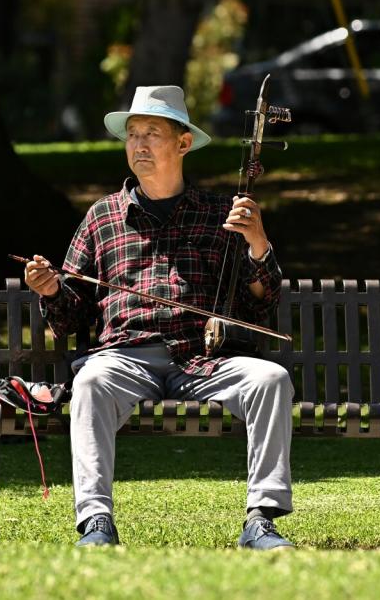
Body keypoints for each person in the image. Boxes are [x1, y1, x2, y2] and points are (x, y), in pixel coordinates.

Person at [24, 86, 295, 549]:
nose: (140, 144)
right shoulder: (102, 217)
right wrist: (50, 289)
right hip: (125, 358)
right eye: (132, 135)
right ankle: (96, 523)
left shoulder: (218, 214)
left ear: (183, 143)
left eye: (152, 133)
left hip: (203, 359)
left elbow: (259, 305)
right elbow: (71, 318)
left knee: (270, 379)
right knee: (90, 382)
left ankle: (261, 520)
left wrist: (257, 244)